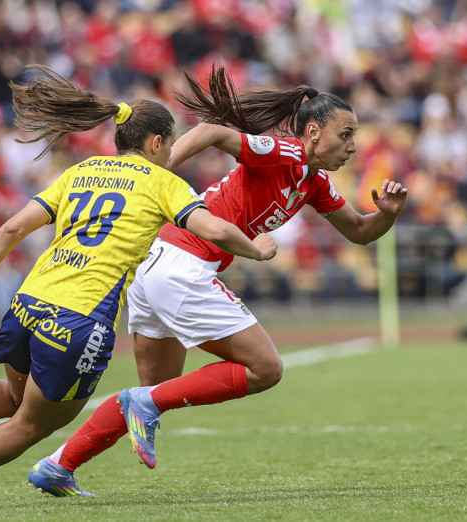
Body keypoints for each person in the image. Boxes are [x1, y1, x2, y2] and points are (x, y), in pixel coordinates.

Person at [0, 64, 276, 509]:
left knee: (14, 397)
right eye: (170, 145)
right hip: (79, 320)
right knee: (31, 424)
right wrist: (257, 249)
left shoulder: (81, 171)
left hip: (28, 302)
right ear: (157, 142)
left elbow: (12, 226)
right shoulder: (163, 181)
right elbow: (215, 231)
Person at [26, 65, 408, 496]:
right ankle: (138, 408)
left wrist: (388, 216)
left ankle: (59, 466)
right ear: (314, 131)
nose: (354, 147)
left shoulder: (313, 180)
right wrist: (157, 175)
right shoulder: (286, 153)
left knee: (152, 392)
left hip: (157, 268)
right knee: (266, 368)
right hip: (181, 267)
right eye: (346, 134)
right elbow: (209, 131)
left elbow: (358, 231)